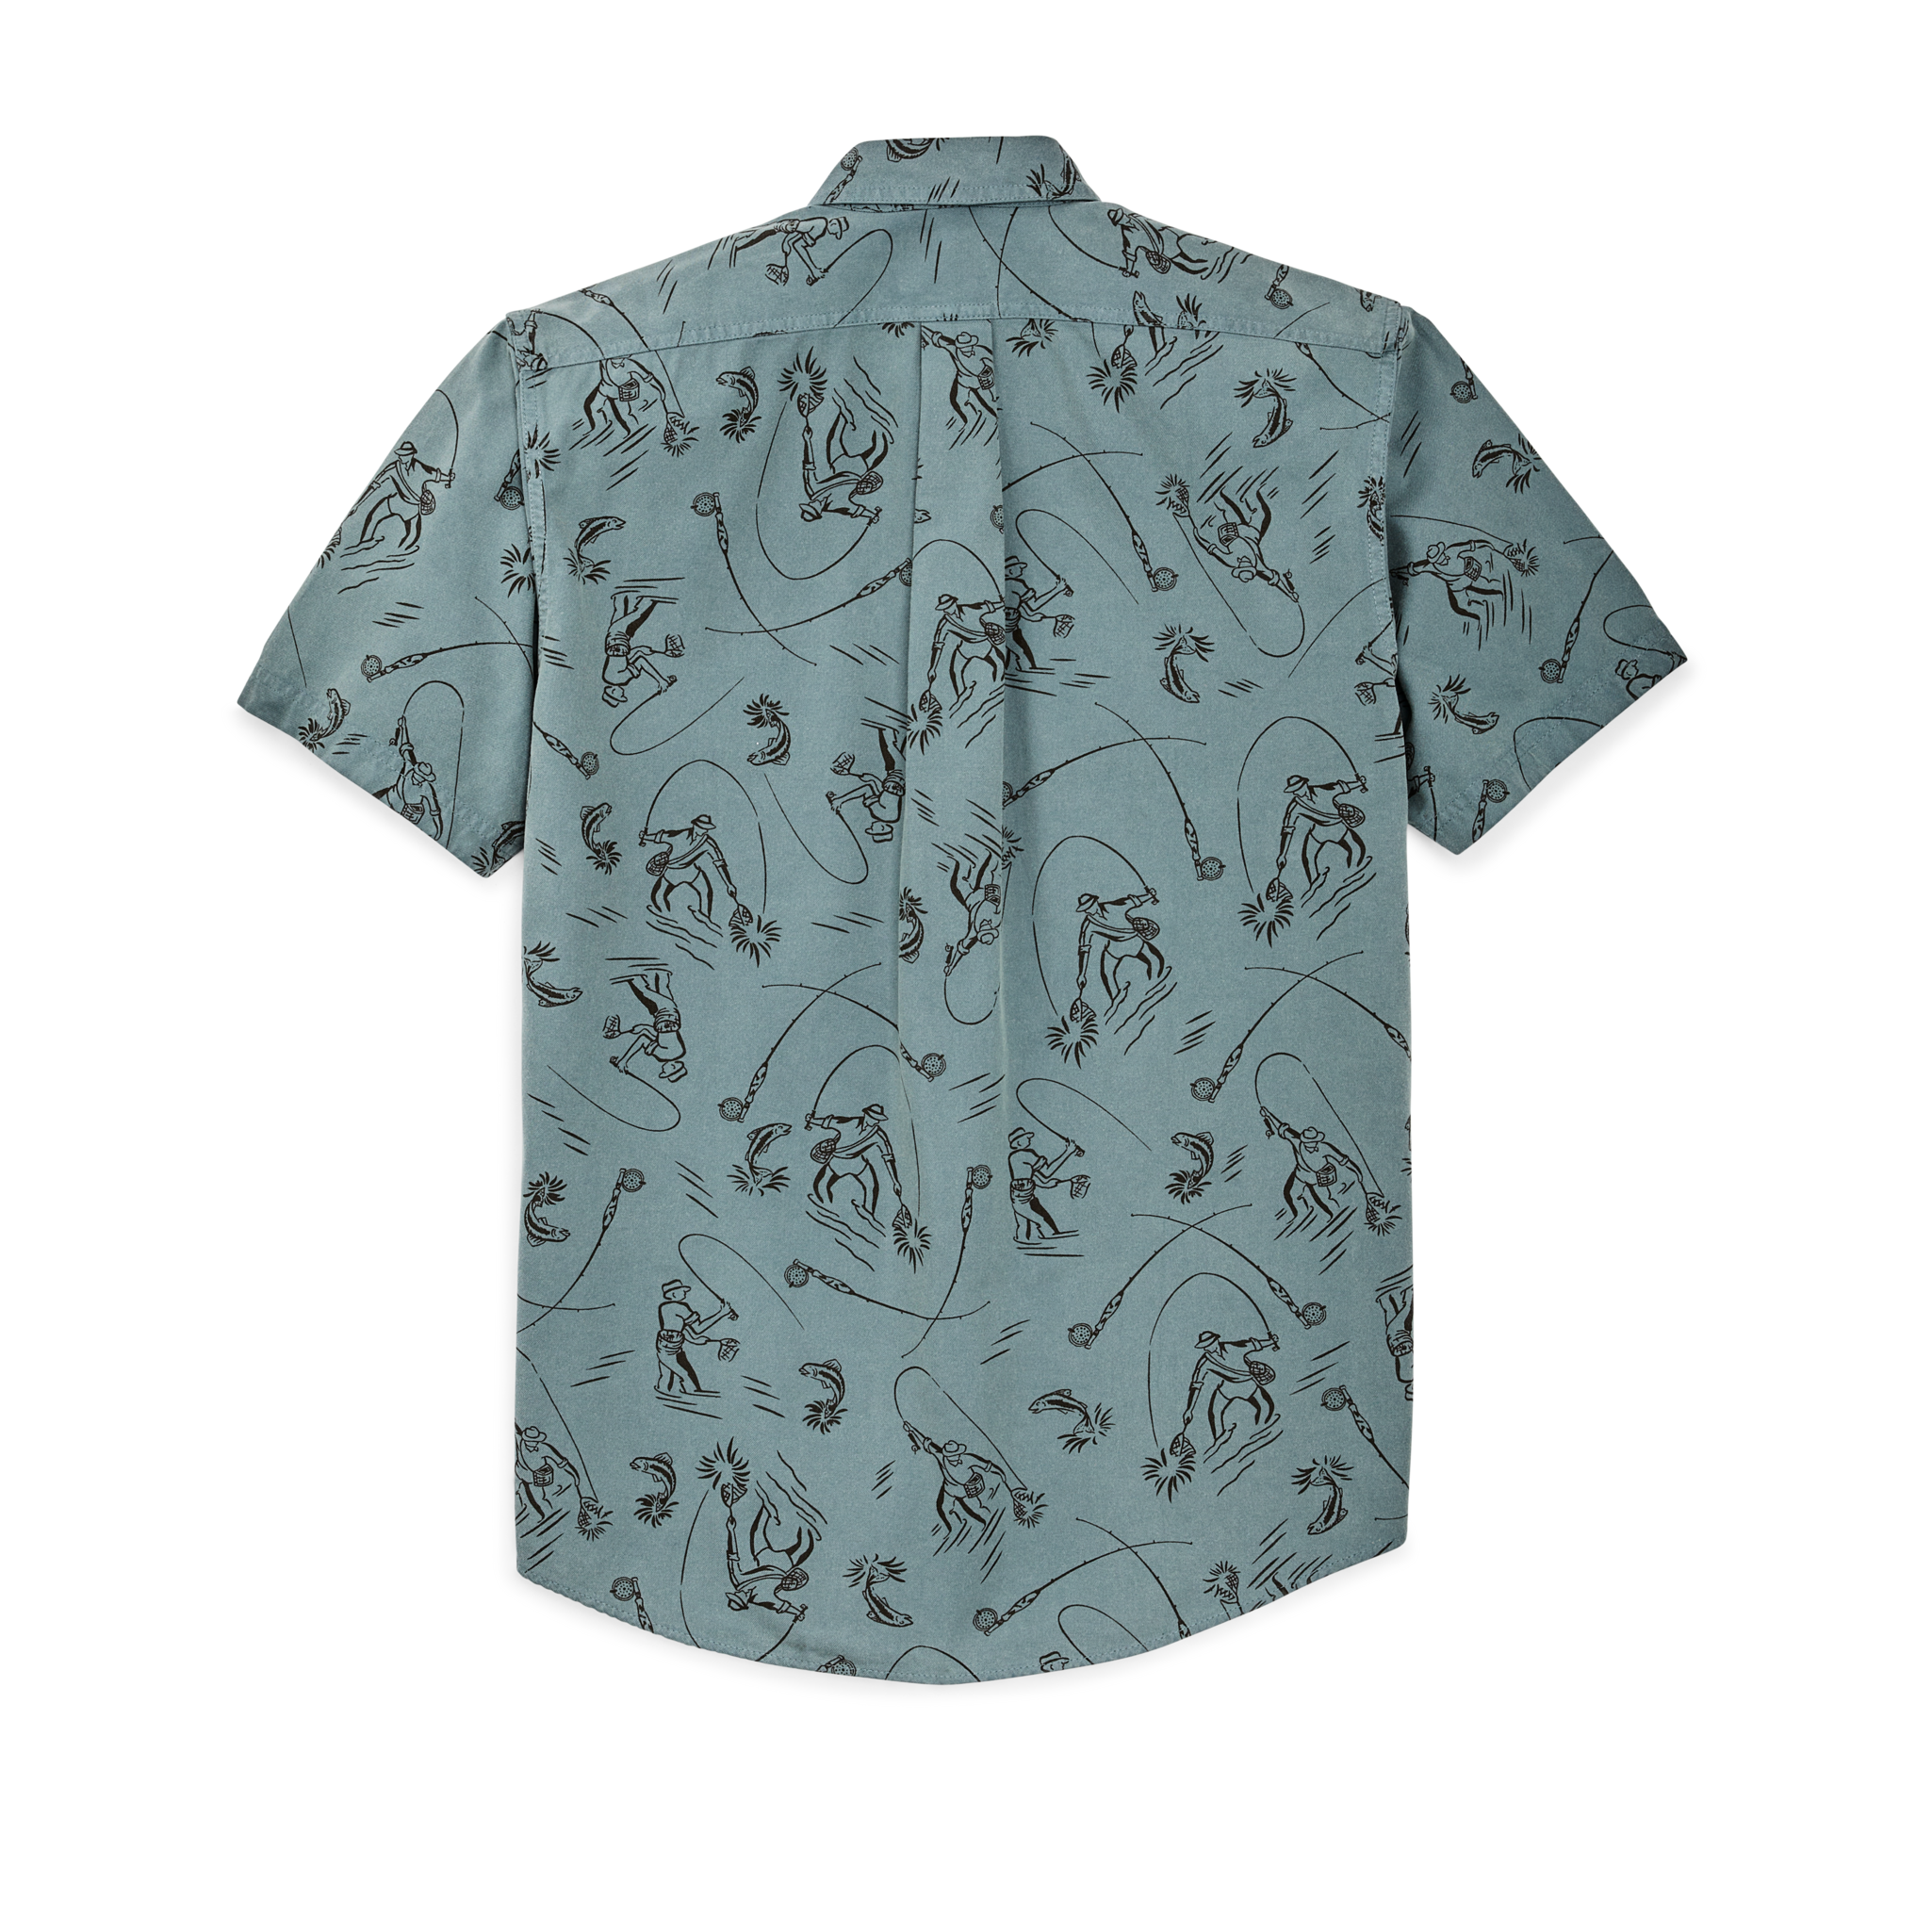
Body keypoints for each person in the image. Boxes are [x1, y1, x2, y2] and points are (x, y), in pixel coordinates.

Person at [1175, 1331, 1280, 1449]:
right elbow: (1196, 1385)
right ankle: (1219, 1442)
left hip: (1247, 1384)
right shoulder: (1205, 1362)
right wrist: (1189, 1409)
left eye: (1208, 1345)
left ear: (1216, 1341)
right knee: (1214, 1412)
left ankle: (1260, 1428)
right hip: (1228, 1387)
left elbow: (1253, 1345)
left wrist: (1271, 1341)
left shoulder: (1232, 1347)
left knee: (1266, 1405)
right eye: (1204, 1346)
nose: (1206, 1348)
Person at [1271, 772, 1367, 897]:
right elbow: (1288, 830)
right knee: (1308, 858)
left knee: (1357, 848)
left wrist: (1359, 783)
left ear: (1304, 785)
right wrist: (1282, 854)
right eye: (1293, 790)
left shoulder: (1323, 791)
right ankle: (1314, 888)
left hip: (1337, 828)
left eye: (1296, 789)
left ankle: (1352, 873)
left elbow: (1343, 787)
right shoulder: (1295, 807)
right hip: (1318, 832)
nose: (1295, 793)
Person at [1075, 887, 1165, 1011]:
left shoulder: (1113, 907)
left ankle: (1154, 985)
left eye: (1089, 907)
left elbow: (1133, 901)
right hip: (1114, 947)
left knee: (1156, 960)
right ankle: (1116, 1003)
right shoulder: (1088, 925)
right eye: (1085, 909)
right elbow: (1084, 950)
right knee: (1107, 974)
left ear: (1095, 902)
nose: (1088, 911)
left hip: (1132, 941)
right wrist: (1082, 974)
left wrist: (1149, 896)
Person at [352, 440, 451, 552]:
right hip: (397, 501)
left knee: (412, 535)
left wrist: (448, 478)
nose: (400, 457)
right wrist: (358, 504)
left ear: (411, 455)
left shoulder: (419, 468)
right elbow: (375, 484)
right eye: (400, 454)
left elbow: (435, 475)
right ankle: (364, 543)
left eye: (404, 454)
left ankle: (399, 552)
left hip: (412, 507)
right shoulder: (394, 467)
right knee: (373, 517)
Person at [640, 815, 741, 924]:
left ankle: (706, 918)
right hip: (672, 872)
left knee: (706, 892)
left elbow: (719, 863)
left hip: (691, 871)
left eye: (707, 828)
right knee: (657, 896)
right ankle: (667, 917)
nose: (705, 831)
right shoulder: (680, 835)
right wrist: (645, 837)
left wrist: (729, 884)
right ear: (695, 825)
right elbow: (662, 837)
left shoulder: (708, 843)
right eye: (703, 827)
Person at [654, 1280, 735, 1395]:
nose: (685, 1292)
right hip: (671, 1347)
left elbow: (681, 1329)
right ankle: (693, 1395)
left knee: (666, 1375)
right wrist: (722, 1313)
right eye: (682, 1290)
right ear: (673, 1294)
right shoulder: (681, 1307)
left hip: (665, 1344)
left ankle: (664, 1394)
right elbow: (698, 1328)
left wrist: (698, 1339)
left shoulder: (664, 1307)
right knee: (686, 1374)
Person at [1007, 1126, 1079, 1241]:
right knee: (1040, 1219)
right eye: (1026, 1138)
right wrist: (1068, 1152)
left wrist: (1052, 1183)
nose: (1029, 1139)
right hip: (1022, 1196)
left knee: (1023, 1224)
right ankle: (1049, 1234)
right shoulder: (1026, 1154)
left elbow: (1036, 1177)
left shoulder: (1014, 1158)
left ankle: (1026, 1240)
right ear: (1019, 1142)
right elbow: (1047, 1172)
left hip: (1021, 1194)